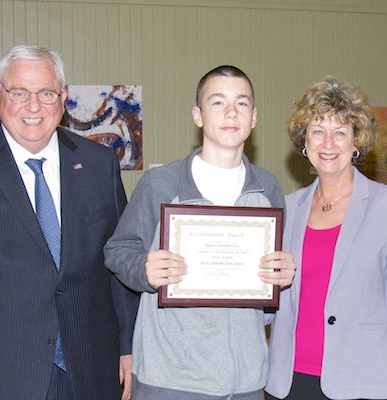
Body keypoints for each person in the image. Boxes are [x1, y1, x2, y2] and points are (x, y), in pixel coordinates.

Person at [104, 65, 296, 400]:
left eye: (242, 103)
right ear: (198, 115)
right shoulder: (160, 184)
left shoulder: (269, 188)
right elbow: (118, 250)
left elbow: (270, 288)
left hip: (247, 382)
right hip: (171, 380)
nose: (231, 113)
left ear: (253, 117)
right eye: (218, 102)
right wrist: (144, 269)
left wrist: (281, 275)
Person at [0, 44, 139, 400]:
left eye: (46, 93)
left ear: (64, 96)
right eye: (19, 92)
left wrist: (130, 346)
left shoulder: (100, 164)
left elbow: (119, 259)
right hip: (4, 370)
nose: (33, 106)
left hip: (92, 367)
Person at [265, 76, 387, 400]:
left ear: (356, 141)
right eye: (318, 131)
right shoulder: (287, 209)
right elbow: (267, 302)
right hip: (288, 382)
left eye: (341, 132)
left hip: (361, 381)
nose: (328, 143)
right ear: (304, 142)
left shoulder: (383, 207)